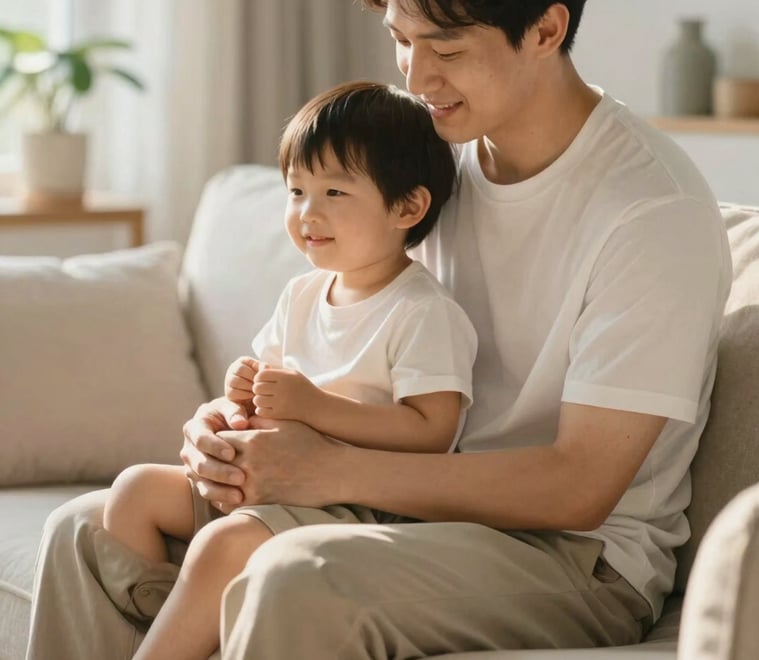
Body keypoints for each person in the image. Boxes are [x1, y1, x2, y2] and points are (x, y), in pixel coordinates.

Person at [27, 0, 732, 660]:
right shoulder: (425, 164)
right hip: (404, 508)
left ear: (545, 30)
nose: (417, 78)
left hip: (573, 555)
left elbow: (579, 486)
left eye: (447, 48)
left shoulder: (650, 209)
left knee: (294, 575)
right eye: (401, 41)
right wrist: (225, 434)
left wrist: (324, 471)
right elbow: (337, 349)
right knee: (85, 529)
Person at [76, 81, 477, 660]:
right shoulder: (302, 294)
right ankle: (176, 625)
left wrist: (316, 407)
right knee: (134, 491)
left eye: (334, 191)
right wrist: (239, 396)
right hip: (268, 481)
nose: (307, 212)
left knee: (221, 545)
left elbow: (433, 431)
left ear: (406, 208)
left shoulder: (422, 311)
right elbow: (266, 388)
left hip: (350, 505)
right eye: (295, 191)